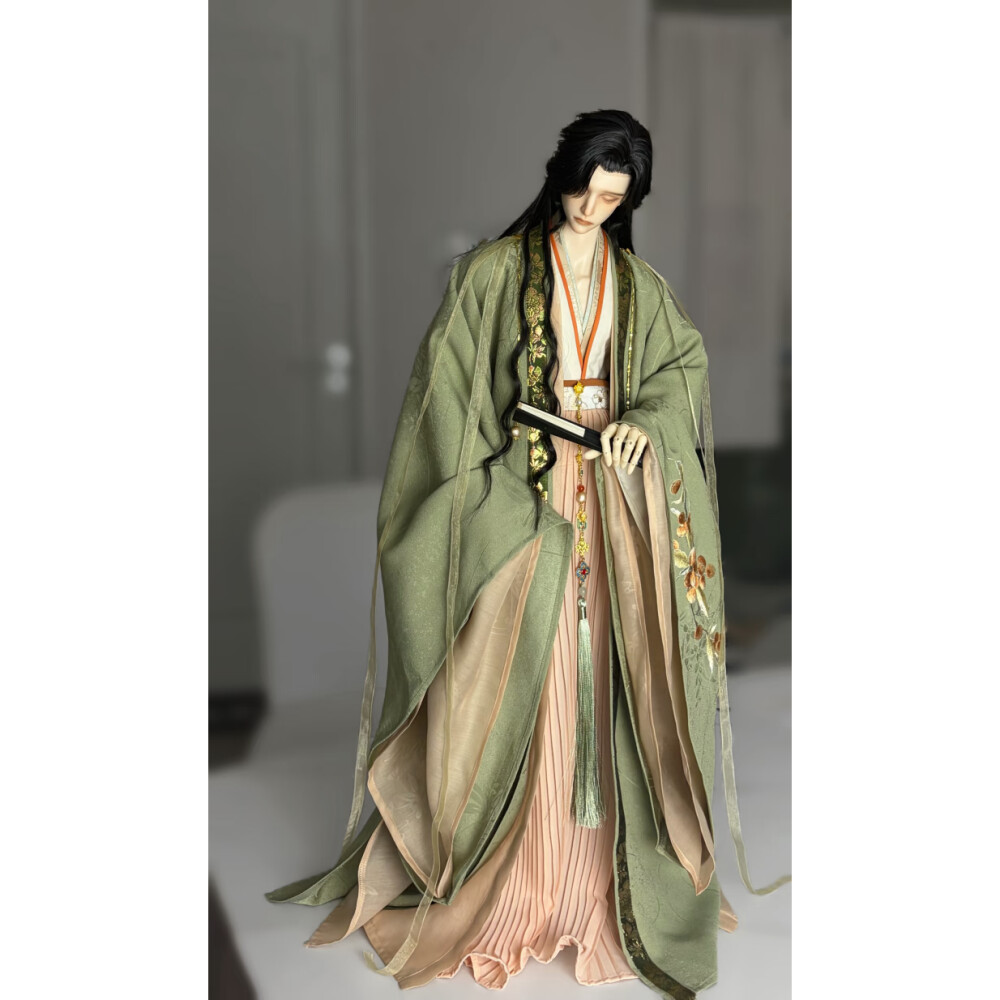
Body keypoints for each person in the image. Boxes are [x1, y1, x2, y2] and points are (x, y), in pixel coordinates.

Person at [265, 109, 788, 998]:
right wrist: (508, 487)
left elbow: (680, 373)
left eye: (612, 199)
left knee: (612, 682)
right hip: (525, 506)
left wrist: (645, 422)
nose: (592, 208)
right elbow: (447, 409)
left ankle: (605, 887)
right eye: (585, 188)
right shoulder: (493, 274)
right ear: (562, 174)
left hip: (617, 512)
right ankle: (515, 885)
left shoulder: (639, 286)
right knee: (530, 679)